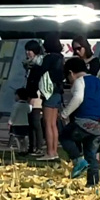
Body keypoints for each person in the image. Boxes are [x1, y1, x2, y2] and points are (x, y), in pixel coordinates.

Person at [60, 57, 100, 186]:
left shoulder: (79, 82)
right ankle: (93, 183)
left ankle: (77, 160)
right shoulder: (99, 81)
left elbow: (79, 98)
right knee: (91, 153)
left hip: (84, 121)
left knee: (64, 136)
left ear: (71, 73)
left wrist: (65, 114)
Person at [30, 33, 65, 161]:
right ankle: (54, 150)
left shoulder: (48, 58)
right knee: (53, 124)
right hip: (58, 91)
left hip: (49, 92)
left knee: (47, 123)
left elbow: (41, 71)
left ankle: (50, 152)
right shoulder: (60, 57)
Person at [23, 40, 45, 156]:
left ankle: (39, 147)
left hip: (37, 96)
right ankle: (32, 147)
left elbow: (37, 81)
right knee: (31, 123)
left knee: (36, 122)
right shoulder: (29, 65)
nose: (27, 53)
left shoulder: (39, 63)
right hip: (30, 96)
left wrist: (33, 95)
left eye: (30, 50)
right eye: (26, 50)